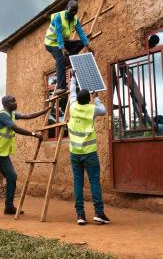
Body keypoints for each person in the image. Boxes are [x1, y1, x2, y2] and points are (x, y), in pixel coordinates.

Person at [0, 95, 50, 218]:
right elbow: (15, 129)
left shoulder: (11, 114)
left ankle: (9, 206)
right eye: (12, 101)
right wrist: (34, 134)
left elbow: (27, 116)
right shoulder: (3, 115)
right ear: (6, 104)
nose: (15, 102)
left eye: (15, 100)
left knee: (12, 176)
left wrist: (45, 110)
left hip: (2, 153)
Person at [67, 71, 110, 225]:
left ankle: (80, 215)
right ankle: (98, 213)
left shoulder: (72, 106)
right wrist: (97, 97)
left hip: (74, 153)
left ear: (77, 99)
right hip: (90, 153)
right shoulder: (92, 109)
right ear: (88, 100)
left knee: (78, 182)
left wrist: (72, 77)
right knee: (94, 182)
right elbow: (104, 110)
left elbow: (72, 91)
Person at [44, 0, 93, 95]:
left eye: (75, 11)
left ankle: (68, 58)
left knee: (80, 43)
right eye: (71, 10)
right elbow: (58, 33)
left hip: (63, 42)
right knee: (60, 60)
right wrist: (62, 48)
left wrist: (87, 44)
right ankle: (60, 87)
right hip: (51, 43)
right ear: (66, 8)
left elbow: (81, 32)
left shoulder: (75, 19)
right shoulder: (58, 16)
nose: (73, 13)